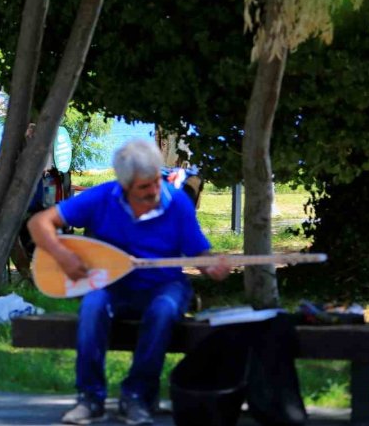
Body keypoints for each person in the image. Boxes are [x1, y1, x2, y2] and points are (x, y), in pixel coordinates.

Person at [27, 139, 230, 425]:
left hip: (164, 285)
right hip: (112, 285)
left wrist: (213, 267)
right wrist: (62, 255)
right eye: (144, 189)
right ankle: (90, 397)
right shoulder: (102, 198)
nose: (154, 193)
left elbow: (199, 253)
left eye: (156, 183)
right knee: (92, 307)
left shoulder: (178, 202)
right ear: (124, 187)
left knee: (163, 311)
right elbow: (39, 223)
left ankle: (137, 396)